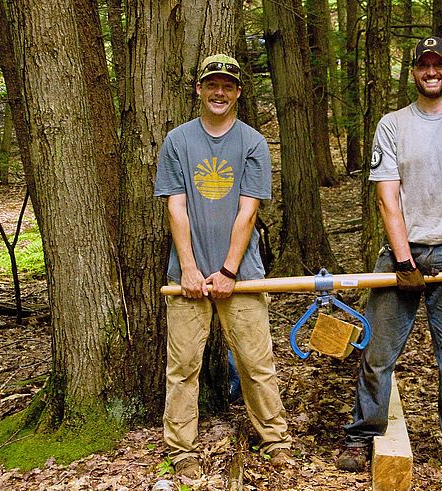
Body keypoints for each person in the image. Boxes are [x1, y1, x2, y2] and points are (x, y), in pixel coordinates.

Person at [336, 36, 442, 480]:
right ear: (413, 72)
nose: (431, 72)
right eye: (423, 65)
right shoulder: (393, 124)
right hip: (403, 251)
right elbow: (387, 198)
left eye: (439, 65)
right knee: (378, 353)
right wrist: (402, 261)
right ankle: (361, 436)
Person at [154, 53, 293, 479]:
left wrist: (230, 271)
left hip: (243, 276)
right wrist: (191, 270)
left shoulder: (252, 143)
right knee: (183, 368)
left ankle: (276, 441)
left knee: (256, 362)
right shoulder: (177, 141)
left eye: (228, 86)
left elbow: (247, 212)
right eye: (212, 85)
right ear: (199, 89)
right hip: (187, 279)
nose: (219, 92)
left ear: (237, 93)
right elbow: (176, 209)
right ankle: (181, 451)